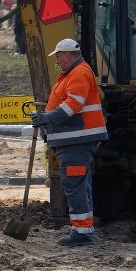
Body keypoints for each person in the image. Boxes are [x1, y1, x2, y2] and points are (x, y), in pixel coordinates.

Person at [32, 38, 108, 246]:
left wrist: (47, 118)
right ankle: (83, 229)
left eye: (58, 56)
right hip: (74, 140)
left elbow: (73, 105)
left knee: (74, 184)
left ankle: (82, 233)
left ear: (67, 55)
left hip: (77, 140)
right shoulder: (71, 74)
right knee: (79, 184)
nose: (56, 60)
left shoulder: (79, 73)